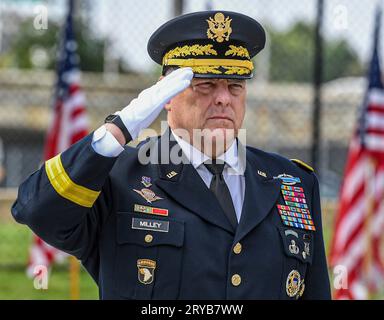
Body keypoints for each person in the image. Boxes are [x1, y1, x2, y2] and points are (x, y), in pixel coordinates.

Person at [11, 11, 331, 299]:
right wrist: (121, 127)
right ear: (166, 95)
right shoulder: (120, 177)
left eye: (235, 85)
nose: (223, 99)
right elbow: (38, 210)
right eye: (205, 85)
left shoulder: (293, 182)